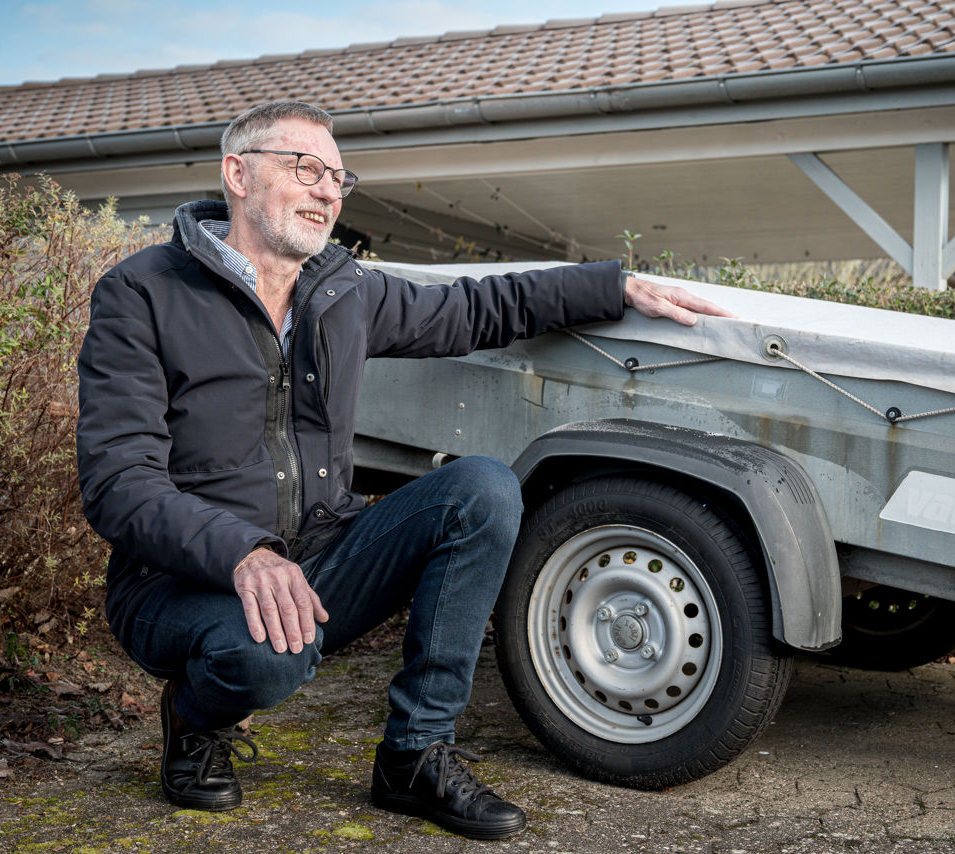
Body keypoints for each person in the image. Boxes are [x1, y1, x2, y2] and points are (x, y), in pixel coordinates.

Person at [76, 100, 733, 840]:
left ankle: (414, 757)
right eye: (307, 168)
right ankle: (195, 719)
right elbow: (117, 481)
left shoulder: (341, 290)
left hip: (323, 552)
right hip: (181, 583)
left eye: (339, 177)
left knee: (483, 487)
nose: (329, 190)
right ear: (238, 173)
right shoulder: (142, 293)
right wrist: (242, 554)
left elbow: (474, 309)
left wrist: (610, 289)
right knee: (265, 656)